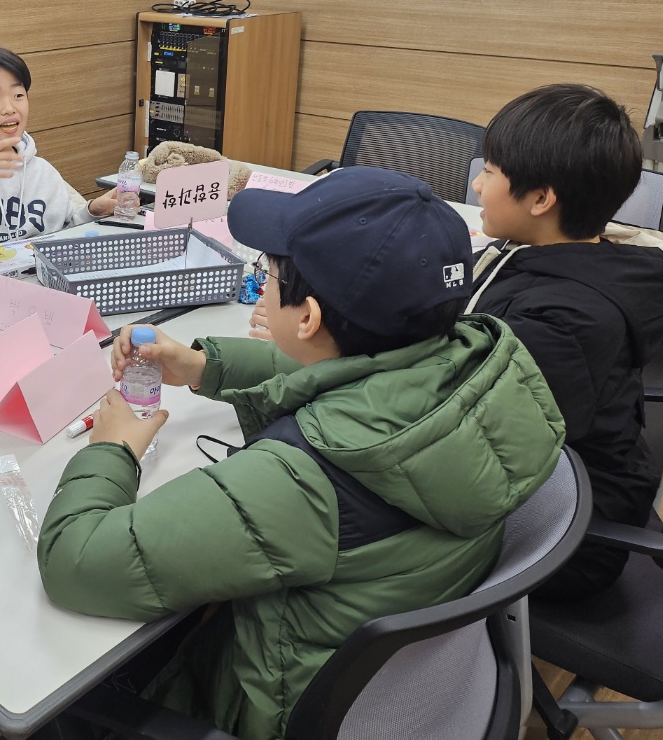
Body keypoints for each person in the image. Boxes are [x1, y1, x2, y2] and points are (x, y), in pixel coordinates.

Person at [36, 167, 565, 740]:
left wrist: (112, 451)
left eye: (267, 273)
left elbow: (76, 561)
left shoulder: (303, 479)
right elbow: (358, 376)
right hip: (405, 690)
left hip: (278, 704)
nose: (263, 283)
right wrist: (201, 365)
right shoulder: (480, 363)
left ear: (307, 317)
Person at [466, 83, 663, 598]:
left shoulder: (566, 319)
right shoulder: (547, 255)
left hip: (566, 538)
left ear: (540, 199)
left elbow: (478, 442)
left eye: (488, 173)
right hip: (561, 486)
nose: (476, 188)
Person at [0, 46, 117, 252]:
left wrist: (91, 213)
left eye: (18, 95)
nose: (10, 108)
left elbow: (61, 237)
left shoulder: (41, 171)